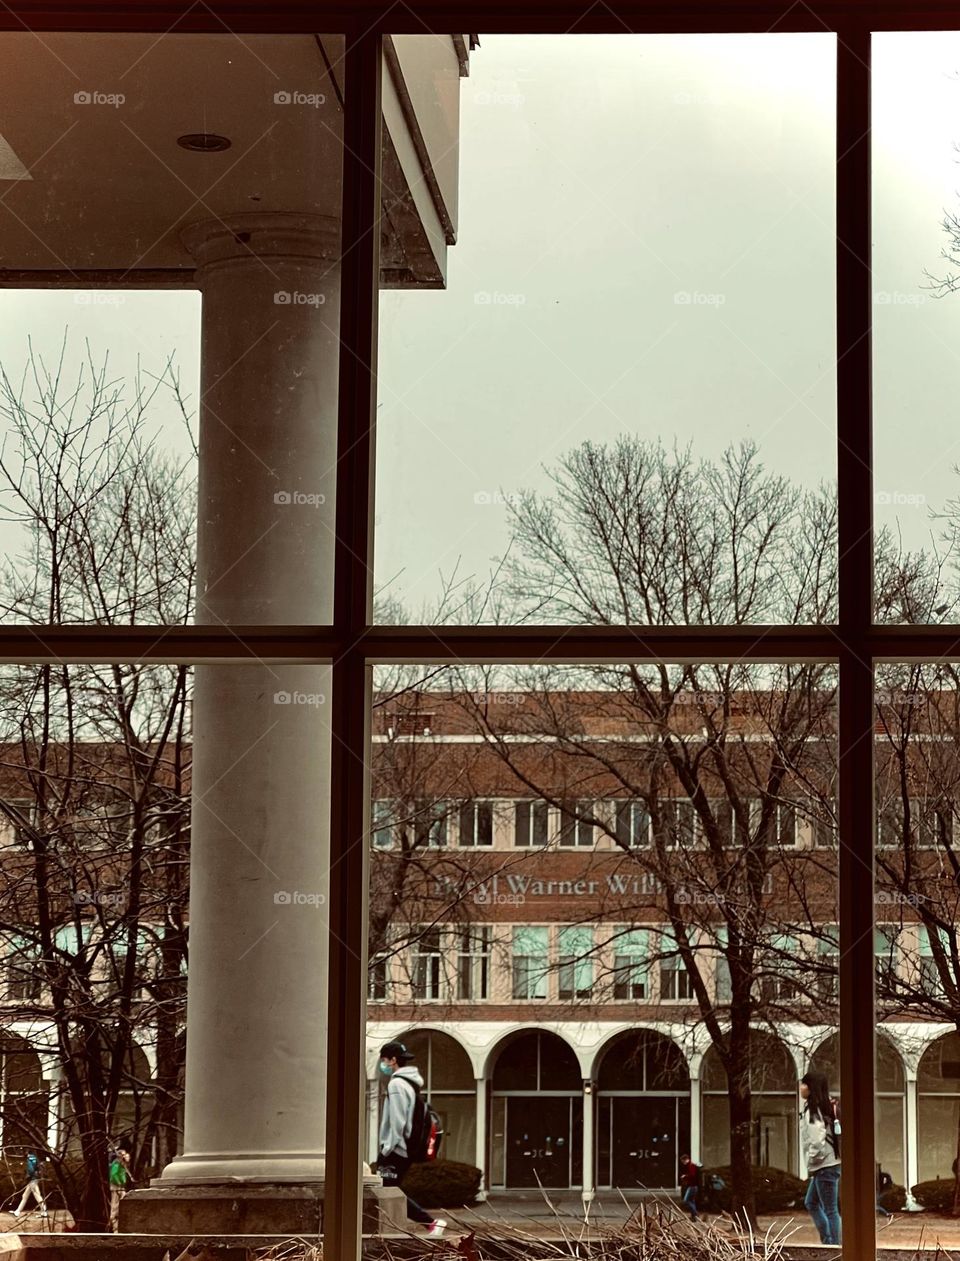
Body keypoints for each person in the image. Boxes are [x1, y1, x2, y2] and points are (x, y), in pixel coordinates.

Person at [377, 1040, 446, 1238]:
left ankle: (430, 1223)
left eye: (384, 1060)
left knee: (387, 1189)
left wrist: (387, 1149)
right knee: (389, 1189)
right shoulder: (409, 1083)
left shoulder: (397, 1084)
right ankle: (428, 1223)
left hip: (397, 1149)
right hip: (404, 1148)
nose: (383, 1064)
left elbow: (398, 1121)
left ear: (393, 1060)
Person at [800, 1070, 841, 1246]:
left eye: (804, 1084)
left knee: (831, 1210)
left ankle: (834, 1246)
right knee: (811, 1202)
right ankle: (829, 1240)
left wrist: (811, 1161)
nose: (801, 1087)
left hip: (825, 1166)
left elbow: (817, 1141)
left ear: (811, 1087)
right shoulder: (823, 1106)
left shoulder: (813, 1110)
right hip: (827, 1165)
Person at [13, 1151, 46, 1219]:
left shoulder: (30, 1159)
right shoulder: (35, 1158)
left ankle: (44, 1212)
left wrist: (28, 1177)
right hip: (35, 1179)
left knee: (37, 1195)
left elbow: (31, 1170)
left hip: (32, 1179)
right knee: (25, 1195)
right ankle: (17, 1211)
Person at [108, 1143, 131, 1232]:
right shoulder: (116, 1164)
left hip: (120, 1187)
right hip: (117, 1188)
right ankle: (114, 1226)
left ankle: (117, 1226)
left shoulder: (122, 1165)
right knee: (115, 1207)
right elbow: (114, 1175)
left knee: (120, 1206)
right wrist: (119, 1183)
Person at [678, 1153, 700, 1221]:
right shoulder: (690, 1165)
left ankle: (695, 1213)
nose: (683, 1163)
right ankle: (694, 1216)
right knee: (692, 1200)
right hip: (693, 1185)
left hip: (692, 1186)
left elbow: (692, 1175)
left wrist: (685, 1176)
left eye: (683, 1161)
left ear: (686, 1160)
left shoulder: (691, 1166)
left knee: (686, 1200)